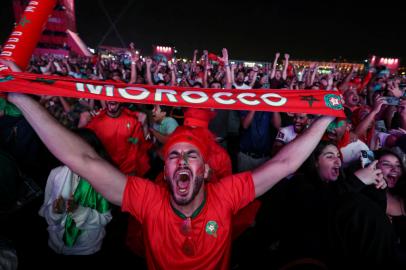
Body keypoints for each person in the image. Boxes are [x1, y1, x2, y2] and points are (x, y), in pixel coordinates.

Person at [3, 59, 335, 269]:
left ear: (205, 170)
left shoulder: (226, 194)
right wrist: (20, 97)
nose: (182, 160)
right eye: (174, 156)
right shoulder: (149, 200)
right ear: (165, 171)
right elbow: (81, 159)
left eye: (192, 155)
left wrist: (324, 120)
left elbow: (285, 163)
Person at [38, 128, 113, 255]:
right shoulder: (56, 174)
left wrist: (80, 212)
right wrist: (55, 211)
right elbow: (46, 210)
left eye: (84, 154)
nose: (78, 159)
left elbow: (105, 218)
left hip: (87, 248)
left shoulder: (103, 180)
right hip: (55, 242)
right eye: (73, 151)